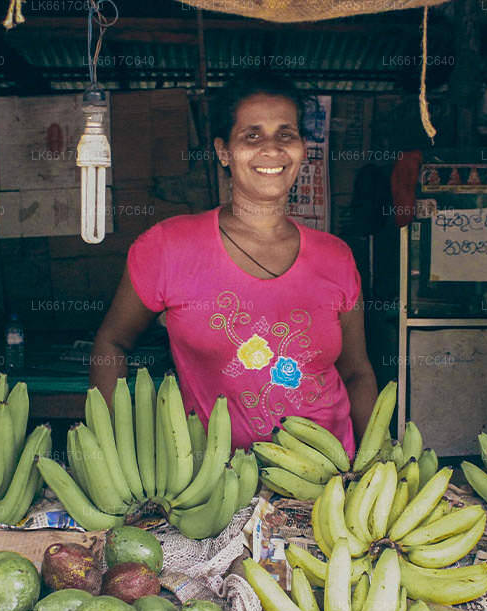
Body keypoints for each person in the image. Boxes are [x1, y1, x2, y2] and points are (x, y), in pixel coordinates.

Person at [89, 71, 377, 455]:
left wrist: (373, 460)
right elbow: (112, 343)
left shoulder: (336, 256)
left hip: (330, 474)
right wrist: (118, 456)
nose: (271, 149)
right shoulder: (168, 247)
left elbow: (356, 372)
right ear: (224, 151)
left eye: (286, 134)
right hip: (212, 479)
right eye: (252, 136)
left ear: (302, 148)